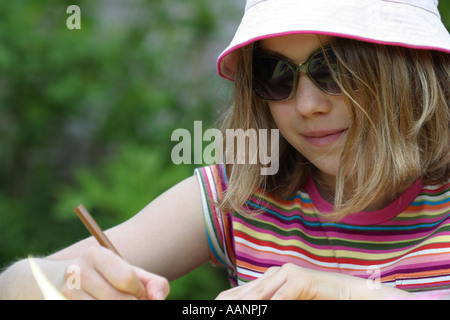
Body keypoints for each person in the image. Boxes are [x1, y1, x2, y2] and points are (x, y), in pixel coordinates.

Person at [0, 0, 449, 300]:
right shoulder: (241, 191)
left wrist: (344, 291)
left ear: (407, 70)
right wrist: (72, 281)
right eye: (276, 73)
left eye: (334, 69)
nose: (308, 105)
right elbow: (11, 287)